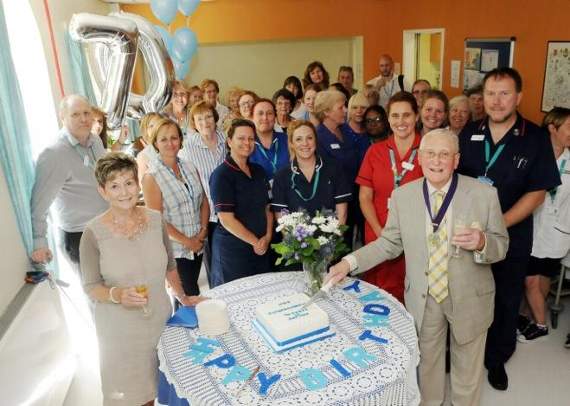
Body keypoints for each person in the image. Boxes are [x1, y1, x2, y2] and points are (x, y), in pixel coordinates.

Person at [327, 128, 509, 406]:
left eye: (445, 154)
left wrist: (483, 241)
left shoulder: (484, 194)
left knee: (468, 371)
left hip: (470, 297)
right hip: (424, 298)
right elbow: (388, 244)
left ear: (456, 160)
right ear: (421, 158)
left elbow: (502, 246)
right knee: (427, 366)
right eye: (430, 154)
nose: (437, 161)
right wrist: (349, 262)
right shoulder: (403, 196)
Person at [457, 67, 561, 391]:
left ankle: (497, 357)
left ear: (518, 97)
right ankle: (465, 351)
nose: (497, 101)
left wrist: (498, 224)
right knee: (468, 294)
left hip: (510, 235)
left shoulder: (535, 138)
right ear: (482, 98)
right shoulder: (469, 132)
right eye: (490, 93)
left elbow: (538, 192)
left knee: (505, 297)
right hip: (470, 234)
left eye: (504, 94)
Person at [80, 152, 202, 406]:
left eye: (129, 183)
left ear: (138, 184)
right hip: (121, 331)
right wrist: (118, 294)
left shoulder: (156, 219)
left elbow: (169, 265)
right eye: (114, 186)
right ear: (103, 191)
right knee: (135, 397)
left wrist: (183, 297)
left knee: (165, 388)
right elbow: (91, 287)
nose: (124, 192)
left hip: (159, 320)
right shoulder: (93, 233)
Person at [356, 91, 424, 303]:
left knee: (409, 293)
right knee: (376, 295)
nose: (401, 121)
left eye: (406, 115)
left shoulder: (428, 150)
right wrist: (379, 230)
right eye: (395, 116)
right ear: (388, 118)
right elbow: (365, 197)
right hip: (378, 231)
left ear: (416, 116)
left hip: (413, 237)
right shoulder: (375, 151)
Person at [30, 94, 108, 268]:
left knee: (117, 289)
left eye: (87, 113)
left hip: (106, 227)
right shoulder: (54, 153)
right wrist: (39, 241)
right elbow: (39, 204)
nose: (84, 119)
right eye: (75, 114)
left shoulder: (95, 141)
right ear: (63, 117)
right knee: (96, 293)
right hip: (78, 236)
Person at [518, 107, 570, 342]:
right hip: (533, 228)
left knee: (543, 277)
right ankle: (539, 322)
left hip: (558, 231)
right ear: (553, 128)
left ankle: (535, 320)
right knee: (530, 279)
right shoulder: (534, 155)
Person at [142, 118, 210, 297]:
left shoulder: (188, 166)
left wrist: (203, 231)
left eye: (174, 138)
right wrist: (188, 242)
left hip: (198, 244)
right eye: (163, 139)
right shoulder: (152, 176)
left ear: (180, 140)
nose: (170, 143)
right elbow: (157, 220)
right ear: (155, 143)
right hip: (175, 252)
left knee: (184, 295)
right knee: (190, 296)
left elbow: (203, 200)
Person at [209, 119, 273, 287]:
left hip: (261, 247)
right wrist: (255, 242)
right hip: (233, 251)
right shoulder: (221, 175)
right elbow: (226, 219)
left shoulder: (259, 171)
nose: (247, 143)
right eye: (241, 138)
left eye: (251, 139)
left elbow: (267, 207)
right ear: (229, 141)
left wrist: (267, 236)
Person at [179, 101, 227, 287]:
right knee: (213, 260)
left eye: (208, 116)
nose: (205, 122)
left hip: (230, 208)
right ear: (194, 123)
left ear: (215, 118)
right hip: (207, 212)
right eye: (199, 119)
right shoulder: (189, 147)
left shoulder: (226, 140)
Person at [271, 120, 351, 221]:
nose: (305, 143)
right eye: (299, 139)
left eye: (309, 138)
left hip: (332, 235)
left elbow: (342, 214)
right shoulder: (281, 176)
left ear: (316, 141)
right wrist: (292, 237)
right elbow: (281, 218)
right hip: (297, 236)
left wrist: (334, 236)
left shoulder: (335, 169)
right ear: (291, 143)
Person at [314, 89, 360, 248]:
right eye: (341, 107)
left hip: (353, 197)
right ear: (326, 112)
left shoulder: (346, 130)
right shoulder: (318, 137)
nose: (346, 110)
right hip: (332, 205)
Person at [249, 99, 290, 180]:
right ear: (252, 118)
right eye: (260, 113)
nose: (265, 117)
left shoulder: (287, 139)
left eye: (269, 113)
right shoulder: (246, 143)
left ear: (275, 118)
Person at [136, 112, 163, 184]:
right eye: (151, 126)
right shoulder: (143, 156)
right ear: (145, 131)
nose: (156, 128)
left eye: (159, 124)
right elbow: (144, 185)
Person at [345, 92, 371, 163]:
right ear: (349, 110)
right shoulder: (341, 131)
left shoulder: (371, 132)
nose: (359, 111)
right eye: (354, 107)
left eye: (363, 107)